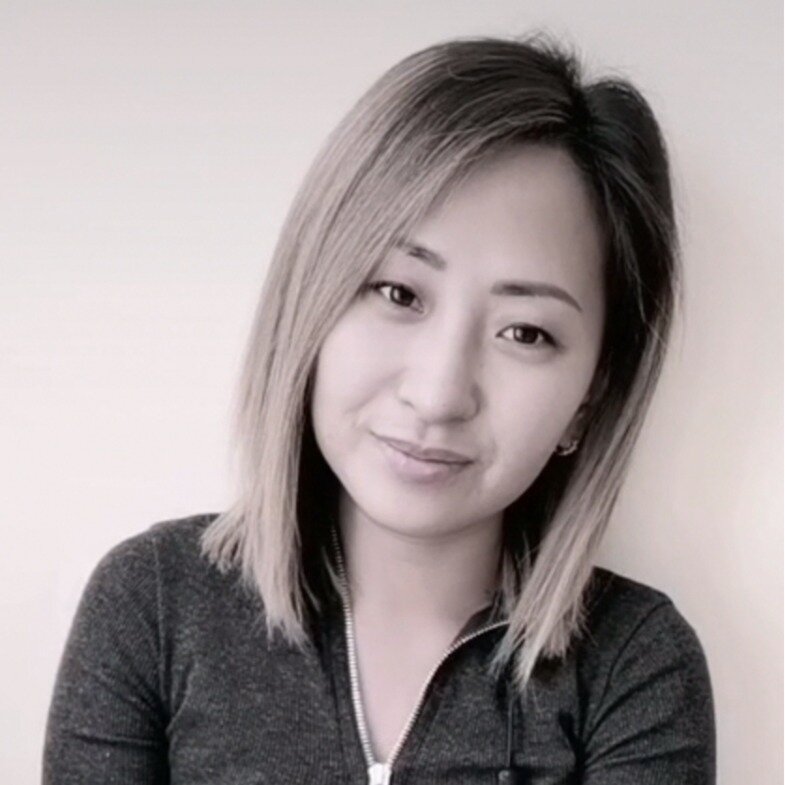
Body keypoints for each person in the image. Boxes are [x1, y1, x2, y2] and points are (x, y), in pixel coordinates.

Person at [43, 35, 716, 784]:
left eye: (526, 333)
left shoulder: (635, 665)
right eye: (399, 293)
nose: (438, 394)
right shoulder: (154, 604)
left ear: (589, 397)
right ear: (312, 297)